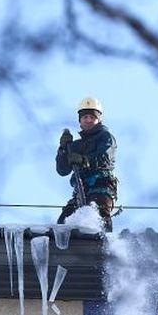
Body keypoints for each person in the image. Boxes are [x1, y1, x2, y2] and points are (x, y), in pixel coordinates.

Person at [55, 96, 117, 231]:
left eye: (92, 117)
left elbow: (104, 156)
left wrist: (84, 160)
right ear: (80, 121)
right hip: (81, 192)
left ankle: (104, 247)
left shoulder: (105, 137)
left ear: (99, 119)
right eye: (85, 117)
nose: (88, 120)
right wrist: (63, 150)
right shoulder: (76, 146)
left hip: (101, 189)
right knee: (63, 221)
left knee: (98, 219)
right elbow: (63, 170)